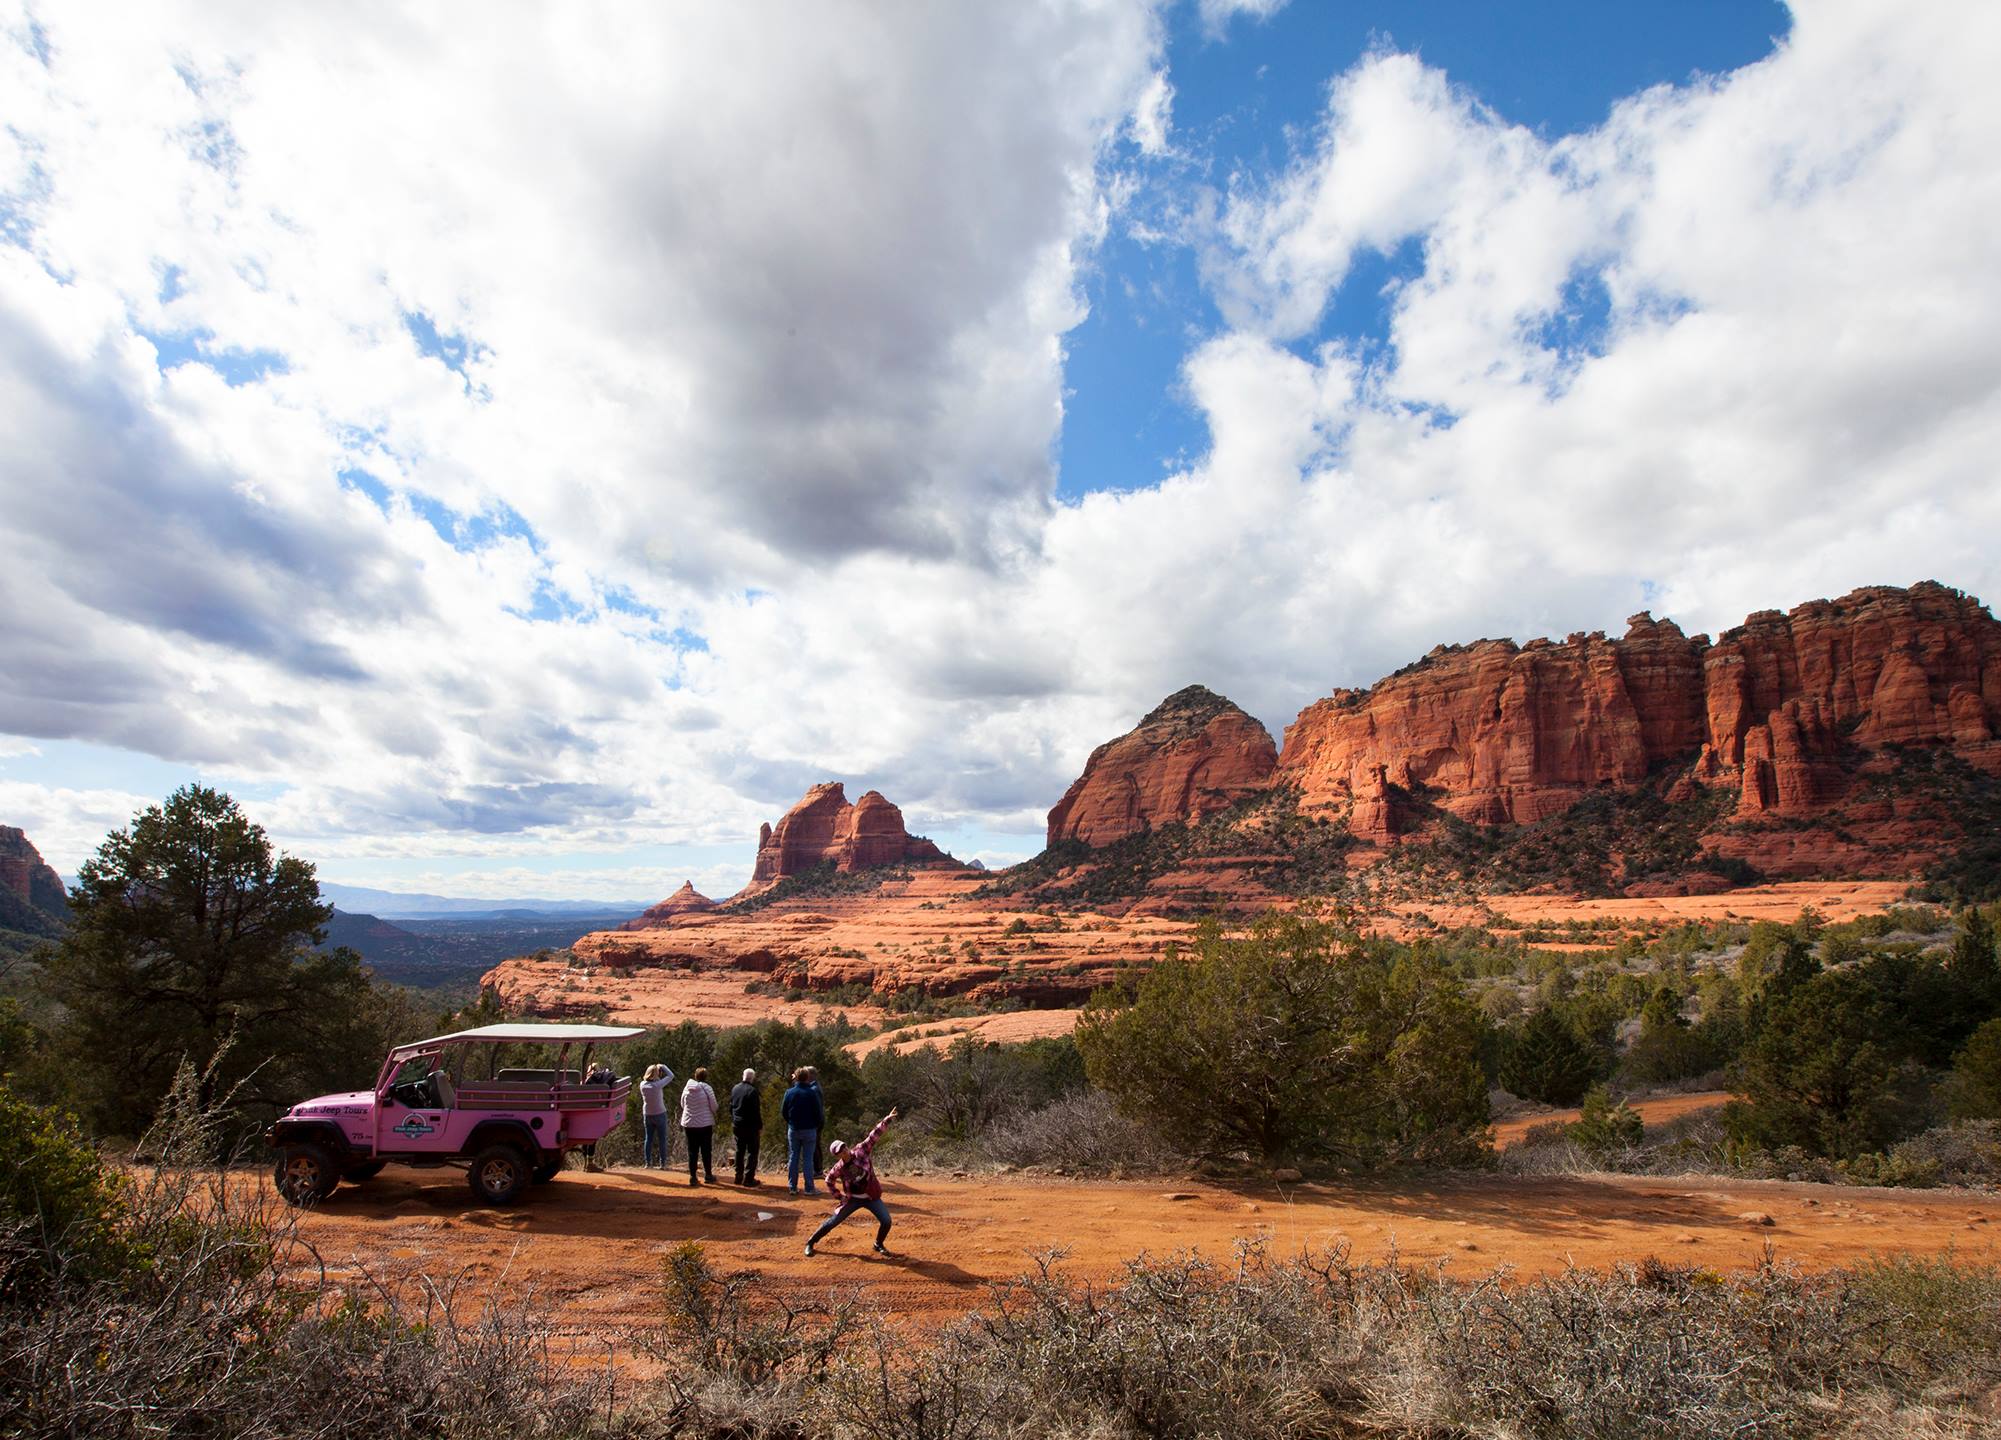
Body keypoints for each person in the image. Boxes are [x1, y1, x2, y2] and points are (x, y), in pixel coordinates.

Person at [805, 1107, 899, 1257]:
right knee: (833, 1221)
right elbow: (829, 1180)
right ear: (837, 1156)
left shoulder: (861, 1151)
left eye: (844, 1148)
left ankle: (878, 1244)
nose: (845, 1151)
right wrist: (840, 1197)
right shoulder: (839, 1168)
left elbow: (873, 1135)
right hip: (853, 1199)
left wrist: (887, 1119)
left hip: (870, 1196)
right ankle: (810, 1242)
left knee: (886, 1221)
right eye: (840, 1152)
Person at [780, 1067, 824, 1194]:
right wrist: (814, 1125)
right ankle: (809, 1188)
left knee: (793, 1157)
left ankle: (792, 1187)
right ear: (806, 1078)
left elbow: (783, 1111)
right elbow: (818, 1113)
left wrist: (791, 1122)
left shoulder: (789, 1092)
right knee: (808, 1159)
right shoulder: (812, 1093)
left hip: (794, 1129)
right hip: (809, 1130)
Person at [679, 1066, 718, 1185]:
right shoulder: (707, 1088)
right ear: (705, 1077)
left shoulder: (687, 1088)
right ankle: (708, 1175)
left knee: (692, 1150)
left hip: (689, 1123)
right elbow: (714, 1106)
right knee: (706, 1150)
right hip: (705, 1124)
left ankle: (693, 1177)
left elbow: (682, 1104)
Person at [729, 1068, 763, 1185]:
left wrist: (734, 1119)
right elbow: (756, 1112)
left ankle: (738, 1176)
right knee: (752, 1152)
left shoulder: (735, 1088)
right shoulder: (753, 1091)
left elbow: (731, 1107)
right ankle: (748, 1179)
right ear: (752, 1078)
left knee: (739, 1150)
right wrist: (759, 1126)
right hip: (750, 1126)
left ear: (743, 1076)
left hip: (737, 1124)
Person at [639, 1062, 675, 1169]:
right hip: (659, 1113)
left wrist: (655, 1069)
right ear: (655, 1074)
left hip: (647, 1114)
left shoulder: (642, 1085)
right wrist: (663, 1066)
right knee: (662, 1139)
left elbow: (650, 1080)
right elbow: (671, 1076)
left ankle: (648, 1163)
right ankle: (663, 1164)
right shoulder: (657, 1085)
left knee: (648, 1139)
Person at [804, 1066, 826, 1182]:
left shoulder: (814, 1089)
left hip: (816, 1121)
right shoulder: (814, 1086)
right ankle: (818, 1169)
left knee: (815, 1144)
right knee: (816, 1144)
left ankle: (817, 1170)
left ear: (811, 1075)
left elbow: (815, 1107)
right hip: (818, 1120)